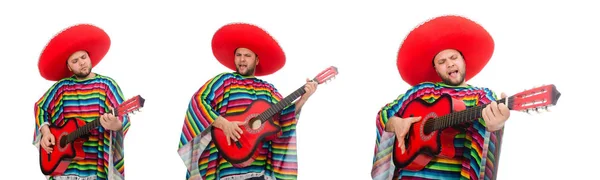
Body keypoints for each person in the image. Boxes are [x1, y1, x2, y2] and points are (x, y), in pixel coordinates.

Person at [371, 15, 511, 180]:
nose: (450, 64)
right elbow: (384, 114)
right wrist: (397, 123)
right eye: (442, 61)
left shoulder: (481, 96)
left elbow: (488, 131)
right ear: (436, 69)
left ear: (463, 61)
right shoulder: (422, 91)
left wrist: (495, 125)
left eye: (454, 58)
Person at [177, 23, 318, 180]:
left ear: (256, 60)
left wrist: (304, 98)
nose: (242, 59)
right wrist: (225, 124)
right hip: (227, 169)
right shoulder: (224, 81)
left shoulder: (268, 89)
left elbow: (284, 119)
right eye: (238, 55)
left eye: (247, 56)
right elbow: (198, 102)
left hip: (259, 170)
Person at [33, 24, 130, 180]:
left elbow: (123, 117)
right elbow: (41, 107)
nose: (82, 63)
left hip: (96, 165)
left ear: (90, 57)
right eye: (75, 61)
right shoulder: (62, 88)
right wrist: (46, 132)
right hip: (65, 168)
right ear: (69, 67)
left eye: (84, 57)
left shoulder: (107, 85)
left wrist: (116, 125)